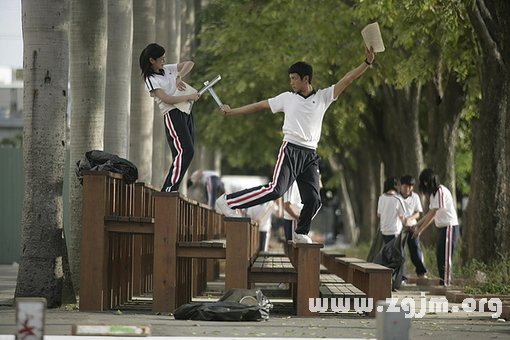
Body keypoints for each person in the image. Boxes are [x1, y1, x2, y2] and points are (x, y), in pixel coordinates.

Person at [215, 47, 376, 243]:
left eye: (294, 78)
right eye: (290, 78)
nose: (291, 82)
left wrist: (366, 63)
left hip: (310, 155)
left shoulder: (323, 97)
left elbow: (347, 79)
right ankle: (227, 201)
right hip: (290, 149)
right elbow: (259, 105)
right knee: (276, 190)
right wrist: (232, 112)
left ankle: (300, 232)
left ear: (305, 79)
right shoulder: (286, 98)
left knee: (314, 200)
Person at [139, 43, 200, 192]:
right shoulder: (151, 78)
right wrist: (189, 96)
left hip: (185, 112)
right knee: (185, 151)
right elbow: (166, 99)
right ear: (152, 60)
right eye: (161, 59)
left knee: (186, 152)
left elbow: (189, 63)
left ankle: (171, 188)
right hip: (173, 114)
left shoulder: (167, 70)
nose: (164, 61)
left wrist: (179, 76)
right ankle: (169, 189)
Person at [413, 168, 459, 286]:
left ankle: (447, 282)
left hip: (449, 227)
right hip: (442, 228)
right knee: (440, 254)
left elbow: (433, 214)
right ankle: (442, 280)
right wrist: (417, 224)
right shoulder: (434, 195)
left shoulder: (440, 191)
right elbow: (430, 213)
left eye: (426, 182)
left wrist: (420, 230)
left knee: (446, 256)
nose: (424, 185)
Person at [399, 174, 428, 278]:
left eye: (411, 186)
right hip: (399, 228)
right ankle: (401, 275)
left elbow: (418, 213)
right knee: (401, 252)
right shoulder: (396, 197)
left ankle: (421, 272)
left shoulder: (415, 197)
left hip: (412, 226)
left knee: (415, 249)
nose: (408, 189)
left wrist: (410, 218)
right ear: (400, 185)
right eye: (406, 186)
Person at [377, 177, 406, 244]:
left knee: (388, 251)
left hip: (384, 230)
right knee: (396, 252)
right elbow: (402, 217)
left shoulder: (381, 198)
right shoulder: (398, 199)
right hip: (395, 231)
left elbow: (379, 214)